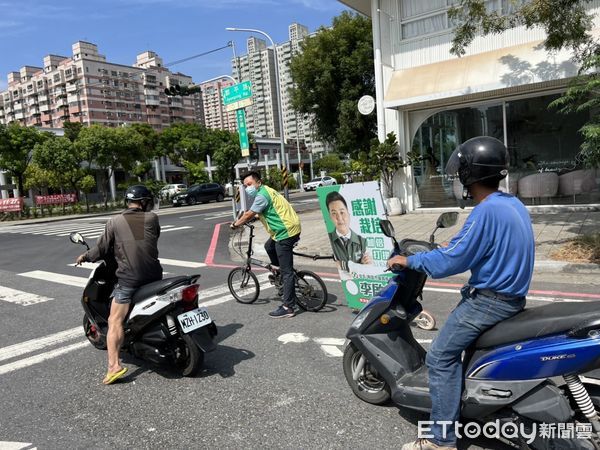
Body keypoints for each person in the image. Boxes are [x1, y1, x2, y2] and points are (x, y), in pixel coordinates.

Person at [388, 137, 535, 450]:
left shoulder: (485, 211)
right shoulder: (511, 204)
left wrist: (408, 259)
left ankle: (441, 440)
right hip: (512, 298)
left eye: (461, 174)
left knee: (440, 357)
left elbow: (449, 263)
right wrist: (449, 248)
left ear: (470, 175)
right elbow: (478, 247)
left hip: (490, 301)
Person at [75, 185, 163, 385]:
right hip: (155, 275)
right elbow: (150, 238)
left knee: (114, 320)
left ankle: (114, 366)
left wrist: (85, 256)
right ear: (144, 202)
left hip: (130, 279)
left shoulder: (115, 221)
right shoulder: (152, 218)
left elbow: (101, 249)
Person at [231, 171, 301, 318]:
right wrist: (258, 215)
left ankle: (288, 306)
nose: (248, 188)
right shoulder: (267, 190)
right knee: (269, 247)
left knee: (287, 272)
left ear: (258, 182)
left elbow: (248, 214)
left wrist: (236, 224)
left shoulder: (262, 195)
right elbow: (267, 209)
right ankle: (280, 273)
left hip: (285, 232)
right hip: (287, 229)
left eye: (249, 184)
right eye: (245, 186)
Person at [325, 191, 372, 272]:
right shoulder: (329, 239)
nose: (339, 218)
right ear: (330, 217)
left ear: (348, 213)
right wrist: (357, 265)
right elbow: (336, 264)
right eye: (334, 213)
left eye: (342, 212)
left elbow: (369, 266)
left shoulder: (363, 241)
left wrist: (342, 265)